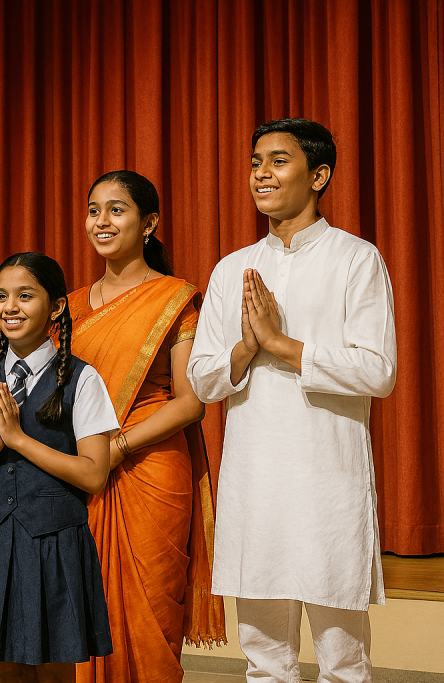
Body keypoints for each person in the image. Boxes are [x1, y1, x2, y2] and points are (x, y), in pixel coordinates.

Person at [188, 118, 397, 682]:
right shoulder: (232, 269)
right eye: (255, 162)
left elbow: (378, 370)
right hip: (255, 485)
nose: (261, 173)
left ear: (319, 175)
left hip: (328, 484)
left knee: (343, 663)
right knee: (264, 662)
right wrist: (245, 349)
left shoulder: (356, 259)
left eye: (278, 161)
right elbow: (203, 377)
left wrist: (283, 346)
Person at [69, 171, 226, 682]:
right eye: (94, 210)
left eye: (117, 209)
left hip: (152, 468)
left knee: (153, 614)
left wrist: (119, 445)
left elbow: (190, 402)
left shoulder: (174, 299)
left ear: (149, 223)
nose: (102, 221)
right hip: (81, 473)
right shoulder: (66, 307)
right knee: (85, 613)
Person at [0, 252, 118, 683]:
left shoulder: (82, 379)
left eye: (25, 295)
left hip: (54, 541)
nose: (10, 307)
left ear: (56, 307)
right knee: (13, 667)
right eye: (2, 296)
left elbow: (95, 474)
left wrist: (21, 440)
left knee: (55, 666)